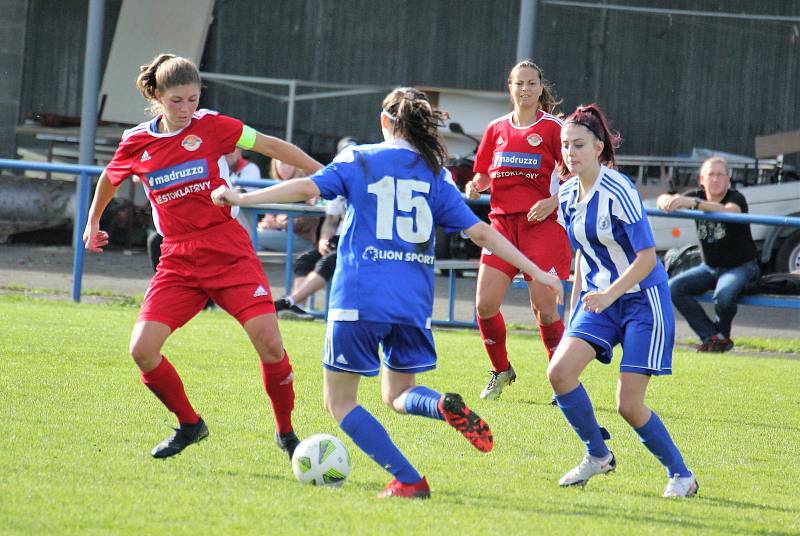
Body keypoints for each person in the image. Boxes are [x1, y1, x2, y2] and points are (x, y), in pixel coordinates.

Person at [212, 87, 563, 499]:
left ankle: (410, 480)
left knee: (339, 403)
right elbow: (482, 231)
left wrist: (241, 196)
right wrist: (538, 270)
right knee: (399, 393)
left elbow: (306, 187)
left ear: (385, 121)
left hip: (360, 296)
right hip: (413, 302)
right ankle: (439, 406)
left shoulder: (360, 157)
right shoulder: (435, 173)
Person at [82, 53, 322, 460]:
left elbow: (266, 144)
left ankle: (286, 433)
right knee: (142, 350)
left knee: (270, 344)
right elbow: (110, 176)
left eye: (193, 99)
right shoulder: (137, 141)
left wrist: (322, 173)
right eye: (177, 101)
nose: (186, 109)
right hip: (177, 258)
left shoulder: (212, 125)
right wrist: (93, 221)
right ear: (157, 95)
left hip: (227, 248)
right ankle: (190, 424)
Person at [550, 104, 698, 498]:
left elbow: (647, 257)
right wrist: (574, 304)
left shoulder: (620, 190)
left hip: (642, 302)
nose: (571, 152)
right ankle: (597, 456)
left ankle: (682, 475)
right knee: (559, 373)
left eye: (579, 144)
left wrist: (608, 294)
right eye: (565, 145)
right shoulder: (565, 194)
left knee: (628, 405)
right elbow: (583, 253)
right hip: (600, 299)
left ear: (599, 147)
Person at [465, 60, 572, 400]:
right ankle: (501, 370)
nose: (525, 89)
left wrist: (552, 202)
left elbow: (578, 177)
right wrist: (475, 185)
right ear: (509, 88)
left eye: (531, 83)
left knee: (544, 308)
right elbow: (482, 173)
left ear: (541, 88)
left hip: (542, 228)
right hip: (501, 227)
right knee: (484, 304)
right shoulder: (496, 128)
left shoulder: (556, 128)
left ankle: (562, 379)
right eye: (519, 83)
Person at [657, 157, 759, 352]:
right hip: (710, 267)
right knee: (674, 288)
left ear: (728, 179)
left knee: (724, 295)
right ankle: (711, 337)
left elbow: (730, 212)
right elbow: (667, 197)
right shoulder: (696, 196)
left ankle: (721, 337)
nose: (715, 179)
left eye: (720, 174)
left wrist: (694, 203)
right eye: (711, 174)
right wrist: (666, 200)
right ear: (701, 179)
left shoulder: (736, 197)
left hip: (742, 266)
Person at [275, 137, 357, 319]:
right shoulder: (339, 183)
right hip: (337, 238)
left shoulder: (365, 182)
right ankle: (298, 308)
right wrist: (323, 240)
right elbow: (330, 221)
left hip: (356, 239)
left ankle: (292, 301)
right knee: (305, 259)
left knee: (329, 261)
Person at [146, 147, 262, 271]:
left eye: (234, 148)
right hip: (200, 229)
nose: (229, 152)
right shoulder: (206, 161)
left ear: (240, 151)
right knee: (156, 241)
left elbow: (243, 194)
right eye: (226, 148)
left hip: (239, 230)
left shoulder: (249, 168)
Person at [256, 159, 320, 253]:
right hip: (278, 237)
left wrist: (278, 225)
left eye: (289, 163)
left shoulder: (306, 184)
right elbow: (269, 217)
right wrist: (266, 224)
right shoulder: (275, 185)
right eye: (281, 163)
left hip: (301, 239)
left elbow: (310, 220)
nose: (285, 167)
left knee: (253, 235)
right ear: (275, 165)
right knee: (255, 247)